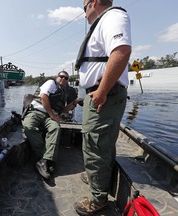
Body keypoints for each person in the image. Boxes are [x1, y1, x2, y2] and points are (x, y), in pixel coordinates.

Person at [74, 0, 132, 215]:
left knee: (95, 145)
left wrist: (102, 92)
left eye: (84, 7)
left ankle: (97, 198)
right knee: (101, 143)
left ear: (94, 2)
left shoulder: (112, 17)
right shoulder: (102, 22)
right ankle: (97, 178)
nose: (84, 14)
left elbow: (121, 51)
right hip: (100, 92)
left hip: (104, 93)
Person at [22, 71, 80, 179]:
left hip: (50, 116)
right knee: (28, 127)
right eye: (61, 76)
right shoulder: (51, 83)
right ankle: (47, 159)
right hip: (36, 112)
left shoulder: (64, 93)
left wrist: (73, 103)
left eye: (66, 78)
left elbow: (63, 110)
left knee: (55, 128)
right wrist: (52, 115)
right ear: (57, 77)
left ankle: (44, 161)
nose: (63, 79)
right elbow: (44, 97)